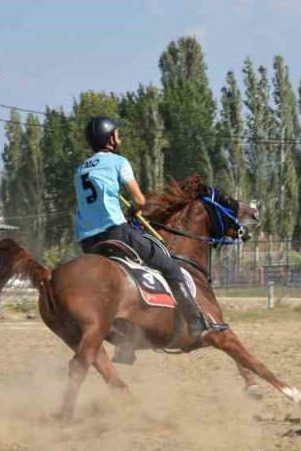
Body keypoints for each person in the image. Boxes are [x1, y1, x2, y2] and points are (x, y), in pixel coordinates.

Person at [74, 116, 225, 341]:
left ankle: (128, 341)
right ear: (110, 138)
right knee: (170, 267)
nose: (119, 136)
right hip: (115, 231)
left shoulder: (80, 170)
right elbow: (140, 199)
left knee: (128, 279)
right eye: (117, 133)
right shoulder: (118, 162)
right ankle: (195, 322)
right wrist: (134, 210)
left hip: (87, 241)